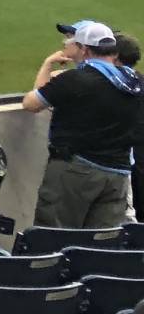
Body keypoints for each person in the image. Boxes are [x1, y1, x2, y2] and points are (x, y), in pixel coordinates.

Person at [21, 19, 142, 229]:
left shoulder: (75, 80)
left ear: (84, 50)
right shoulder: (136, 82)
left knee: (55, 237)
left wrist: (50, 67)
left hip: (75, 171)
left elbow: (31, 103)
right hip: (119, 175)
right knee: (103, 243)